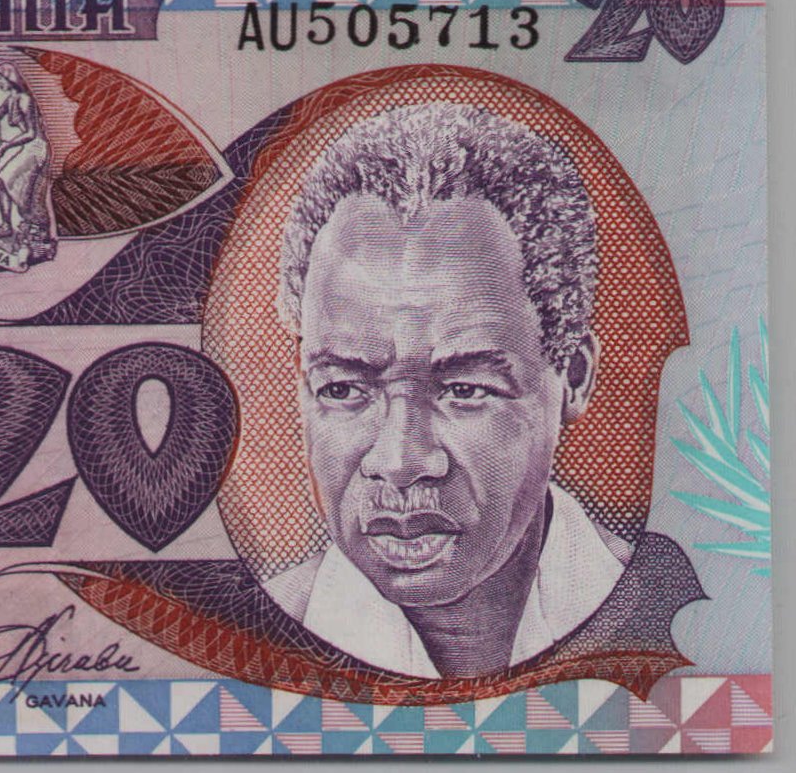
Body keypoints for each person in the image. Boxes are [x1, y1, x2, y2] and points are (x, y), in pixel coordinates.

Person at [264, 102, 630, 679]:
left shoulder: (668, 610)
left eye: (465, 389)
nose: (400, 461)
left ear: (573, 378)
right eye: (342, 389)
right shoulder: (249, 634)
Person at [0, 63, 54, 259]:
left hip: (36, 147)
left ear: (10, 78)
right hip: (27, 147)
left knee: (21, 189)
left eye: (0, 79)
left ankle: (37, 234)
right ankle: (6, 225)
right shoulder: (11, 99)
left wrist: (4, 146)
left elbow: (30, 133)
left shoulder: (25, 99)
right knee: (0, 181)